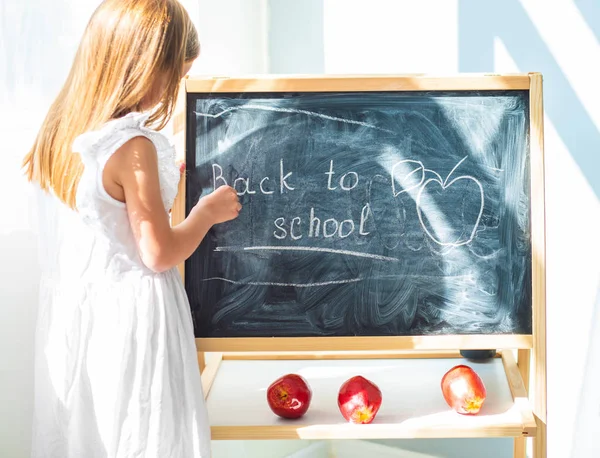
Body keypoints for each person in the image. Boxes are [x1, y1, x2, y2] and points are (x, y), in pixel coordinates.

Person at [22, 1, 240, 456]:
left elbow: (104, 215)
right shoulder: (133, 144)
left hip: (80, 322)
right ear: (145, 66)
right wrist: (205, 213)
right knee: (142, 436)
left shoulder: (61, 134)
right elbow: (158, 252)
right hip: (133, 327)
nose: (175, 89)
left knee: (90, 437)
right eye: (175, 74)